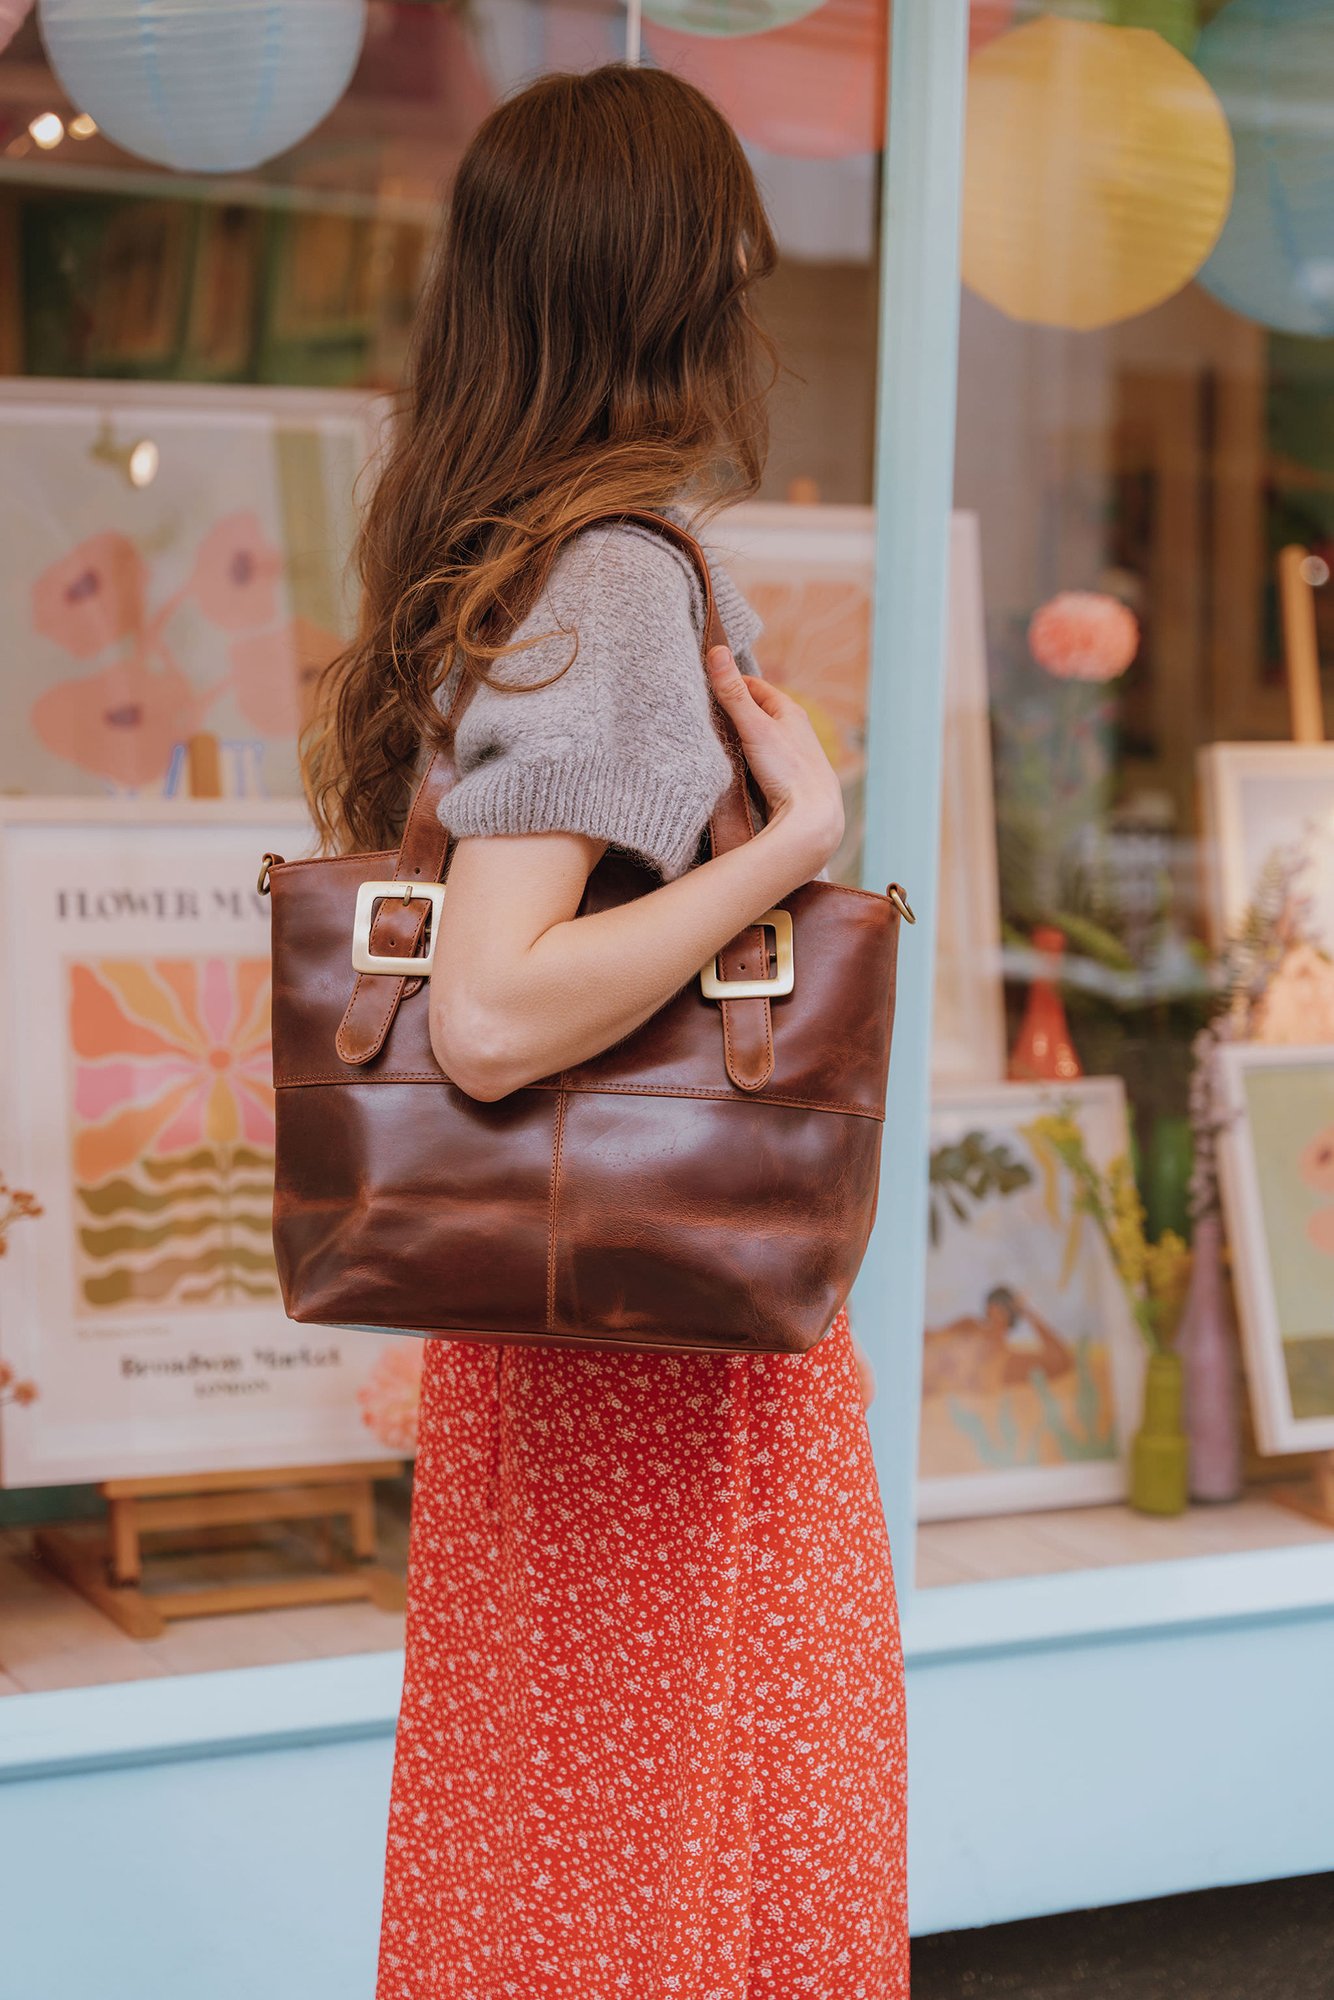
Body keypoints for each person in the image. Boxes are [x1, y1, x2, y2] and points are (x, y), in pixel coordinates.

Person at [306, 63, 906, 2000]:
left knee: (561, 1883)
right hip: (671, 1375)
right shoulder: (621, 575)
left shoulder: (494, 557)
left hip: (556, 1361)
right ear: (671, 286)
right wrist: (796, 845)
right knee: (674, 1895)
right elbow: (488, 1011)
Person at [922, 1285, 1077, 1400]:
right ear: (989, 1309)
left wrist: (1028, 1313)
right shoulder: (969, 1326)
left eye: (1002, 1311)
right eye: (994, 1310)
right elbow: (928, 1337)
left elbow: (1062, 1361)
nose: (996, 1317)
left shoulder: (1008, 1363)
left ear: (1010, 1315)